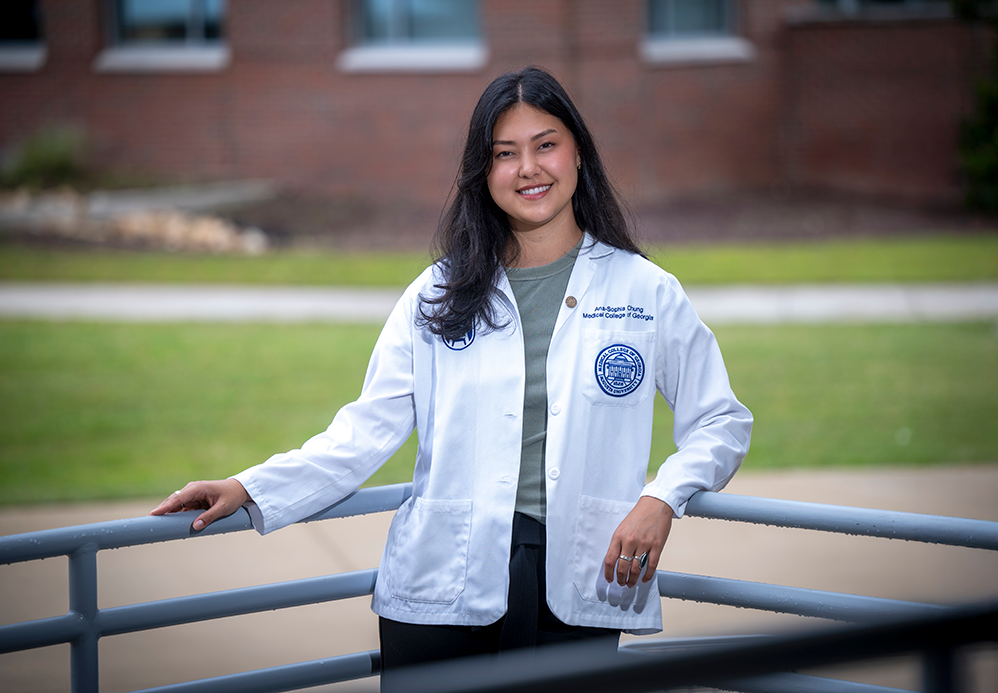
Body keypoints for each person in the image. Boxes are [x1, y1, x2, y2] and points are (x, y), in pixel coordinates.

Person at [150, 65, 752, 683]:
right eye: (504, 154)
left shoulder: (645, 290)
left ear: (578, 154)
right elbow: (364, 432)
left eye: (546, 144)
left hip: (579, 580)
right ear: (482, 172)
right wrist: (250, 487)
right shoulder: (438, 292)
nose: (528, 169)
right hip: (440, 590)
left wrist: (662, 498)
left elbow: (721, 422)